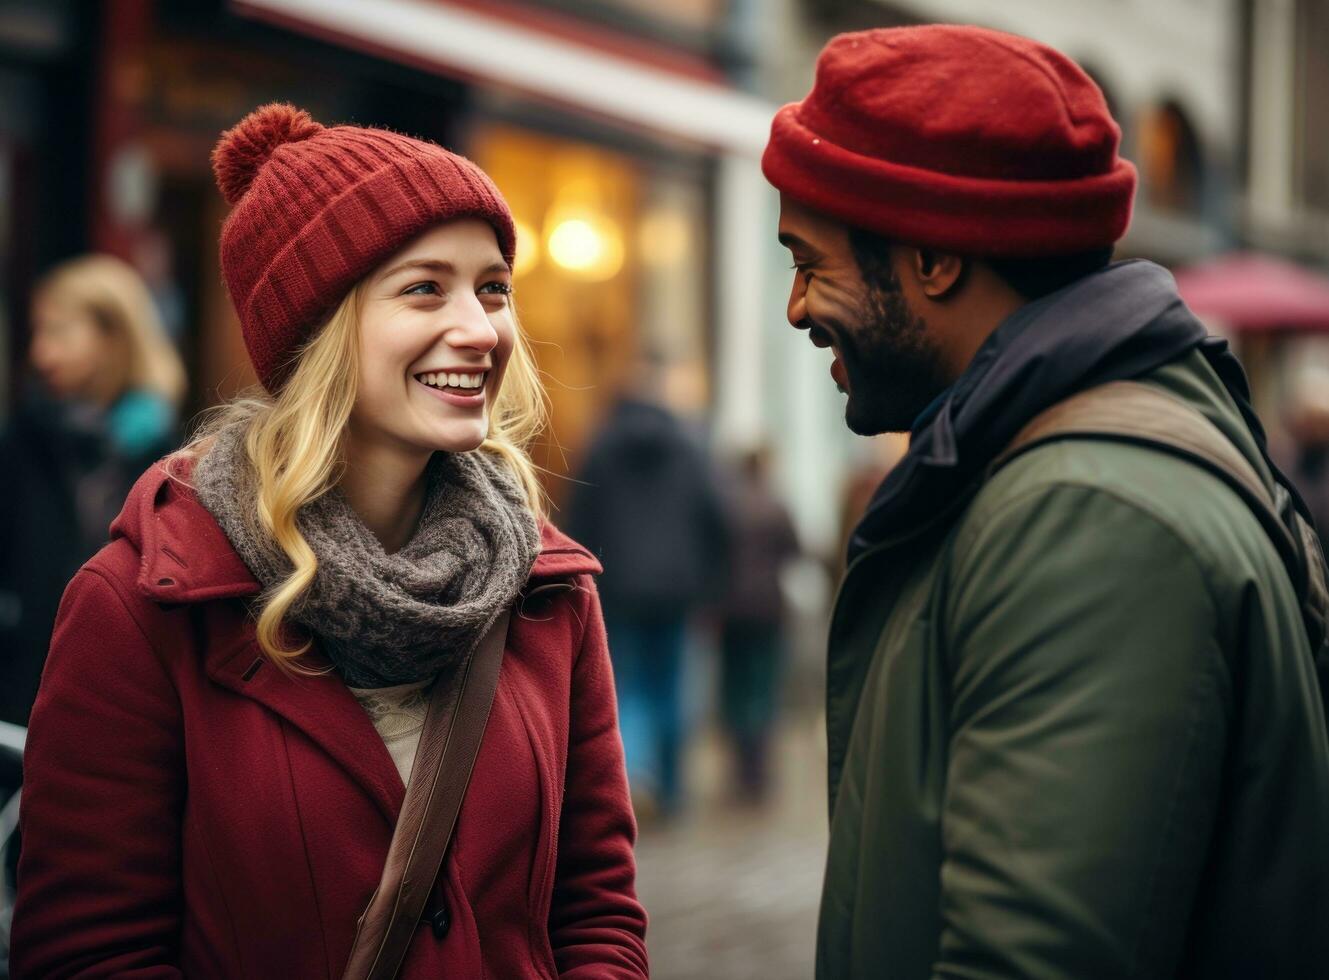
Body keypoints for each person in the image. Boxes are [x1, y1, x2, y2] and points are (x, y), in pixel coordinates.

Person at [12, 104, 648, 978]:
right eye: (424, 287)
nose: (480, 328)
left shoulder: (547, 588)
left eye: (492, 286)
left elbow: (598, 912)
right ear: (317, 330)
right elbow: (90, 952)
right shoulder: (143, 602)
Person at [762, 25, 1329, 979]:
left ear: (931, 259)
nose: (796, 307)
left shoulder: (1084, 514)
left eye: (809, 262)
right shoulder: (1046, 470)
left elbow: (1034, 957)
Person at [0, 254, 185, 725]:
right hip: (26, 688)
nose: (41, 353)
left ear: (113, 337)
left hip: (129, 695)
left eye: (58, 332)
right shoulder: (28, 437)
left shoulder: (170, 456)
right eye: (38, 334)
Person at [566, 360, 730, 817]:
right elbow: (717, 518)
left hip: (618, 589)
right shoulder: (689, 446)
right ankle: (672, 788)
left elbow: (578, 522)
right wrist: (711, 582)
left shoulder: (600, 447)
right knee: (674, 687)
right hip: (678, 589)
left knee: (630, 686)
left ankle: (636, 777)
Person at [717, 447, 799, 802]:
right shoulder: (776, 506)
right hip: (768, 608)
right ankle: (759, 769)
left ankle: (741, 766)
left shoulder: (726, 506)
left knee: (735, 687)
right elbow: (795, 549)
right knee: (763, 686)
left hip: (731, 608)